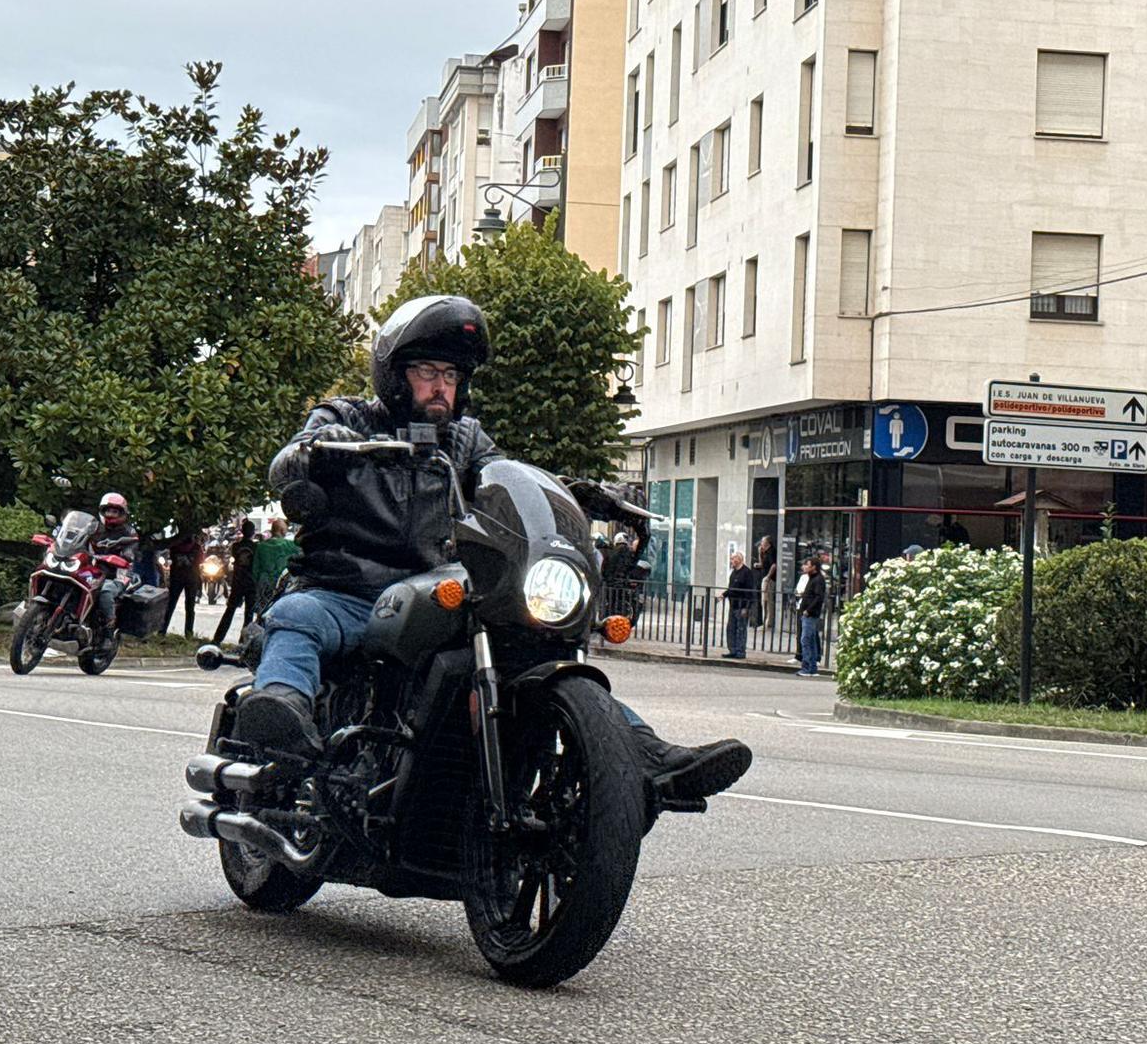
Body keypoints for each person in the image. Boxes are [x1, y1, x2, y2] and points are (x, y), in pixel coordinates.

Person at [235, 293, 752, 816]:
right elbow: (289, 460)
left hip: (436, 593)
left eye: (452, 376)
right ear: (395, 376)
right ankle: (281, 712)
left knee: (530, 652)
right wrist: (315, 450)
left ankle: (645, 751)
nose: (441, 387)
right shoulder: (347, 417)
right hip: (347, 588)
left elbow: (503, 478)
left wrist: (570, 490)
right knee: (298, 615)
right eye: (428, 372)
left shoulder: (464, 439)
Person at [86, 491, 139, 636]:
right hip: (94, 570)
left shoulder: (129, 532)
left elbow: (131, 552)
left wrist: (126, 554)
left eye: (115, 511)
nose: (110, 514)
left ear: (122, 513)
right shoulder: (95, 528)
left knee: (105, 591)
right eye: (108, 510)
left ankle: (109, 625)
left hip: (117, 574)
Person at [211, 518, 258, 644]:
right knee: (248, 615)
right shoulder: (256, 547)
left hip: (238, 582)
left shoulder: (236, 546)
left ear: (242, 531)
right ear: (253, 532)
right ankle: (243, 642)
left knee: (230, 611)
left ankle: (217, 639)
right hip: (251, 583)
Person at [165, 525, 204, 638]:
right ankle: (188, 633)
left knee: (170, 605)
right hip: (191, 579)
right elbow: (201, 560)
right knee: (190, 607)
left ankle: (162, 630)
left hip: (176, 577)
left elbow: (171, 557)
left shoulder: (175, 546)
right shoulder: (196, 547)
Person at [796, 555, 829, 677]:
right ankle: (812, 667)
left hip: (810, 614)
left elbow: (818, 597)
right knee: (811, 640)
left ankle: (807, 667)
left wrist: (808, 610)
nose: (805, 567)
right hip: (808, 612)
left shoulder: (817, 580)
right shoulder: (813, 578)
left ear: (814, 567)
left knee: (806, 640)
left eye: (808, 565)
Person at [721, 549, 758, 659]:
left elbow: (749, 591)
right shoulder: (734, 572)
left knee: (741, 628)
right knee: (731, 628)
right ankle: (732, 649)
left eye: (733, 558)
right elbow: (731, 588)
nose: (731, 560)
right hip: (733, 604)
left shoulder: (747, 573)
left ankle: (740, 651)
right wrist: (724, 595)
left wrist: (746, 607)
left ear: (739, 560)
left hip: (742, 605)